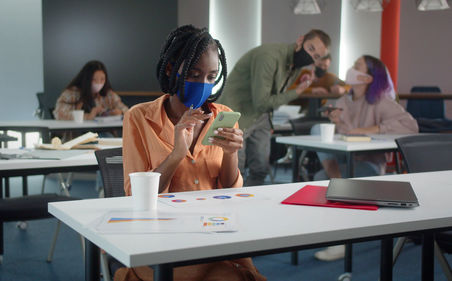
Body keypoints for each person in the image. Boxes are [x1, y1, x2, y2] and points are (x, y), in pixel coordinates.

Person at [118, 25, 266, 281]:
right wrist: (177, 153)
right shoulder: (139, 118)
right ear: (170, 69)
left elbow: (229, 191)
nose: (203, 84)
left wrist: (231, 153)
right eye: (194, 74)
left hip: (215, 232)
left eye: (211, 76)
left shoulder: (223, 115)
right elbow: (137, 196)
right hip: (160, 239)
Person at [312, 55, 419, 262]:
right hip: (344, 162)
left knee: (321, 178)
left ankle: (341, 238)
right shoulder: (343, 100)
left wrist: (373, 128)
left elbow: (411, 126)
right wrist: (337, 120)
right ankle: (338, 186)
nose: (351, 68)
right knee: (317, 131)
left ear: (368, 78)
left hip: (370, 166)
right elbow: (346, 134)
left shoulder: (381, 102)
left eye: (357, 66)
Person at [218, 29, 331, 186]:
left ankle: (248, 207)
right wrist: (296, 92)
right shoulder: (269, 56)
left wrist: (296, 86)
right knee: (235, 171)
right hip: (237, 114)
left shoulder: (295, 66)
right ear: (300, 40)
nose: (311, 56)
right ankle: (230, 208)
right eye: (311, 48)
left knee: (261, 170)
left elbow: (275, 92)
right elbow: (262, 101)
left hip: (261, 116)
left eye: (316, 56)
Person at [53, 60, 128, 121]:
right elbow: (59, 113)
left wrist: (119, 112)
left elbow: (127, 111)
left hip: (103, 133)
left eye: (102, 79)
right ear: (86, 79)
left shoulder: (108, 94)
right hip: (77, 135)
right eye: (94, 79)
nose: (99, 83)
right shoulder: (72, 93)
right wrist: (88, 116)